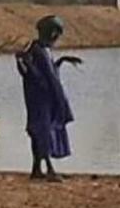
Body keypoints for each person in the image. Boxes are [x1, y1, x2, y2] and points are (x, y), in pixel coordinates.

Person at [16, 15, 82, 182]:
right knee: (44, 132)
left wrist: (62, 60)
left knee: (37, 132)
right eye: (57, 34)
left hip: (36, 99)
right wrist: (60, 100)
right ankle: (49, 170)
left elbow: (45, 72)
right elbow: (45, 77)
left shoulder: (37, 49)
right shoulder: (39, 51)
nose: (57, 39)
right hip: (41, 100)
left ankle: (36, 169)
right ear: (52, 33)